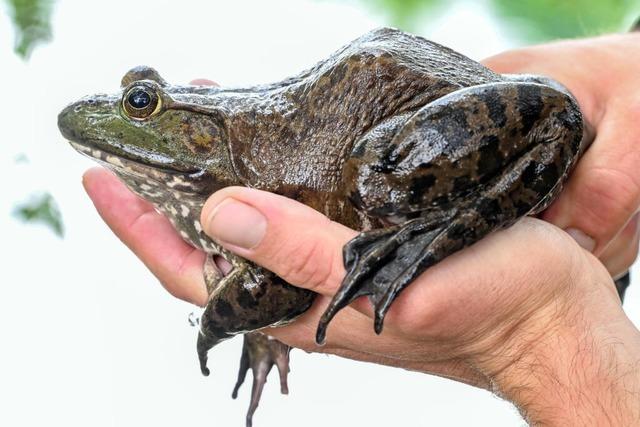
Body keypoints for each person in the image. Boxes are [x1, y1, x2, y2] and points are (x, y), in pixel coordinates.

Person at [82, 31, 640, 425]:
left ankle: (442, 226)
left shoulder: (243, 195)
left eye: (141, 104)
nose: (116, 111)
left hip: (399, 109)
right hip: (397, 85)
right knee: (374, 176)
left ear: (195, 130)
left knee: (377, 181)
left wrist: (536, 332)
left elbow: (282, 285)